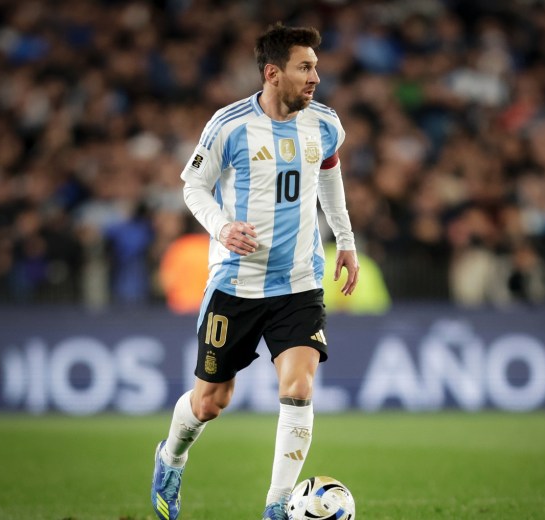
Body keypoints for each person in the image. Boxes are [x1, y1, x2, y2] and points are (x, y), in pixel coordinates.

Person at [150, 23, 359, 520]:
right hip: (236, 284)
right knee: (209, 402)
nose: (315, 77)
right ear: (272, 73)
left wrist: (345, 241)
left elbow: (329, 174)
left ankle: (277, 506)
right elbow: (193, 188)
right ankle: (170, 457)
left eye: (315, 66)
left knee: (299, 386)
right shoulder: (228, 125)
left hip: (298, 282)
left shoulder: (324, 123)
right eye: (304, 67)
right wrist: (221, 227)